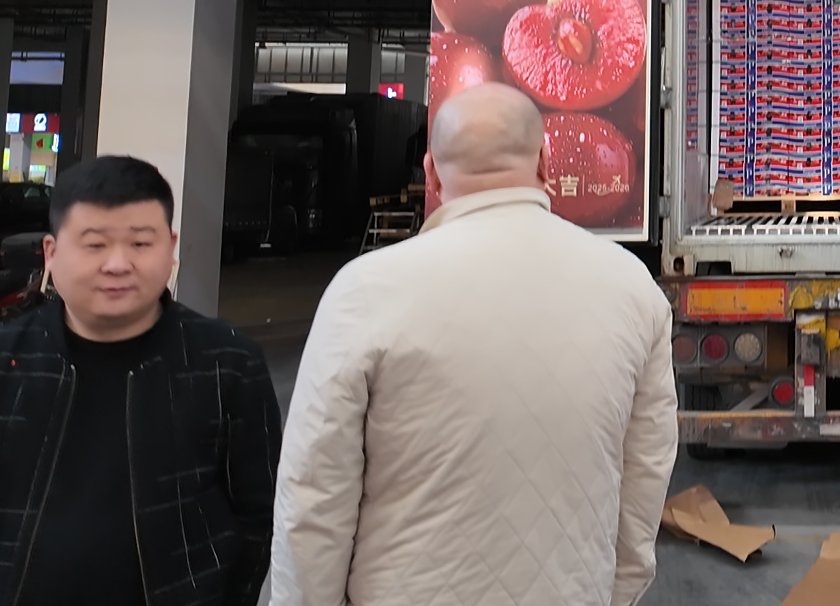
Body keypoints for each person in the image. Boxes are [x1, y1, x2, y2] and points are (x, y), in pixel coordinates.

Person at [271, 83, 677, 606]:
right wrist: (611, 592)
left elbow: (314, 494)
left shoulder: (365, 291)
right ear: (546, 163)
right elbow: (646, 473)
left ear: (431, 172)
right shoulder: (632, 288)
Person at [0, 155, 283, 606]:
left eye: (140, 243)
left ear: (171, 249)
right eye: (94, 244)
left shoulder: (227, 365)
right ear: (52, 253)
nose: (118, 264)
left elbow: (258, 517)